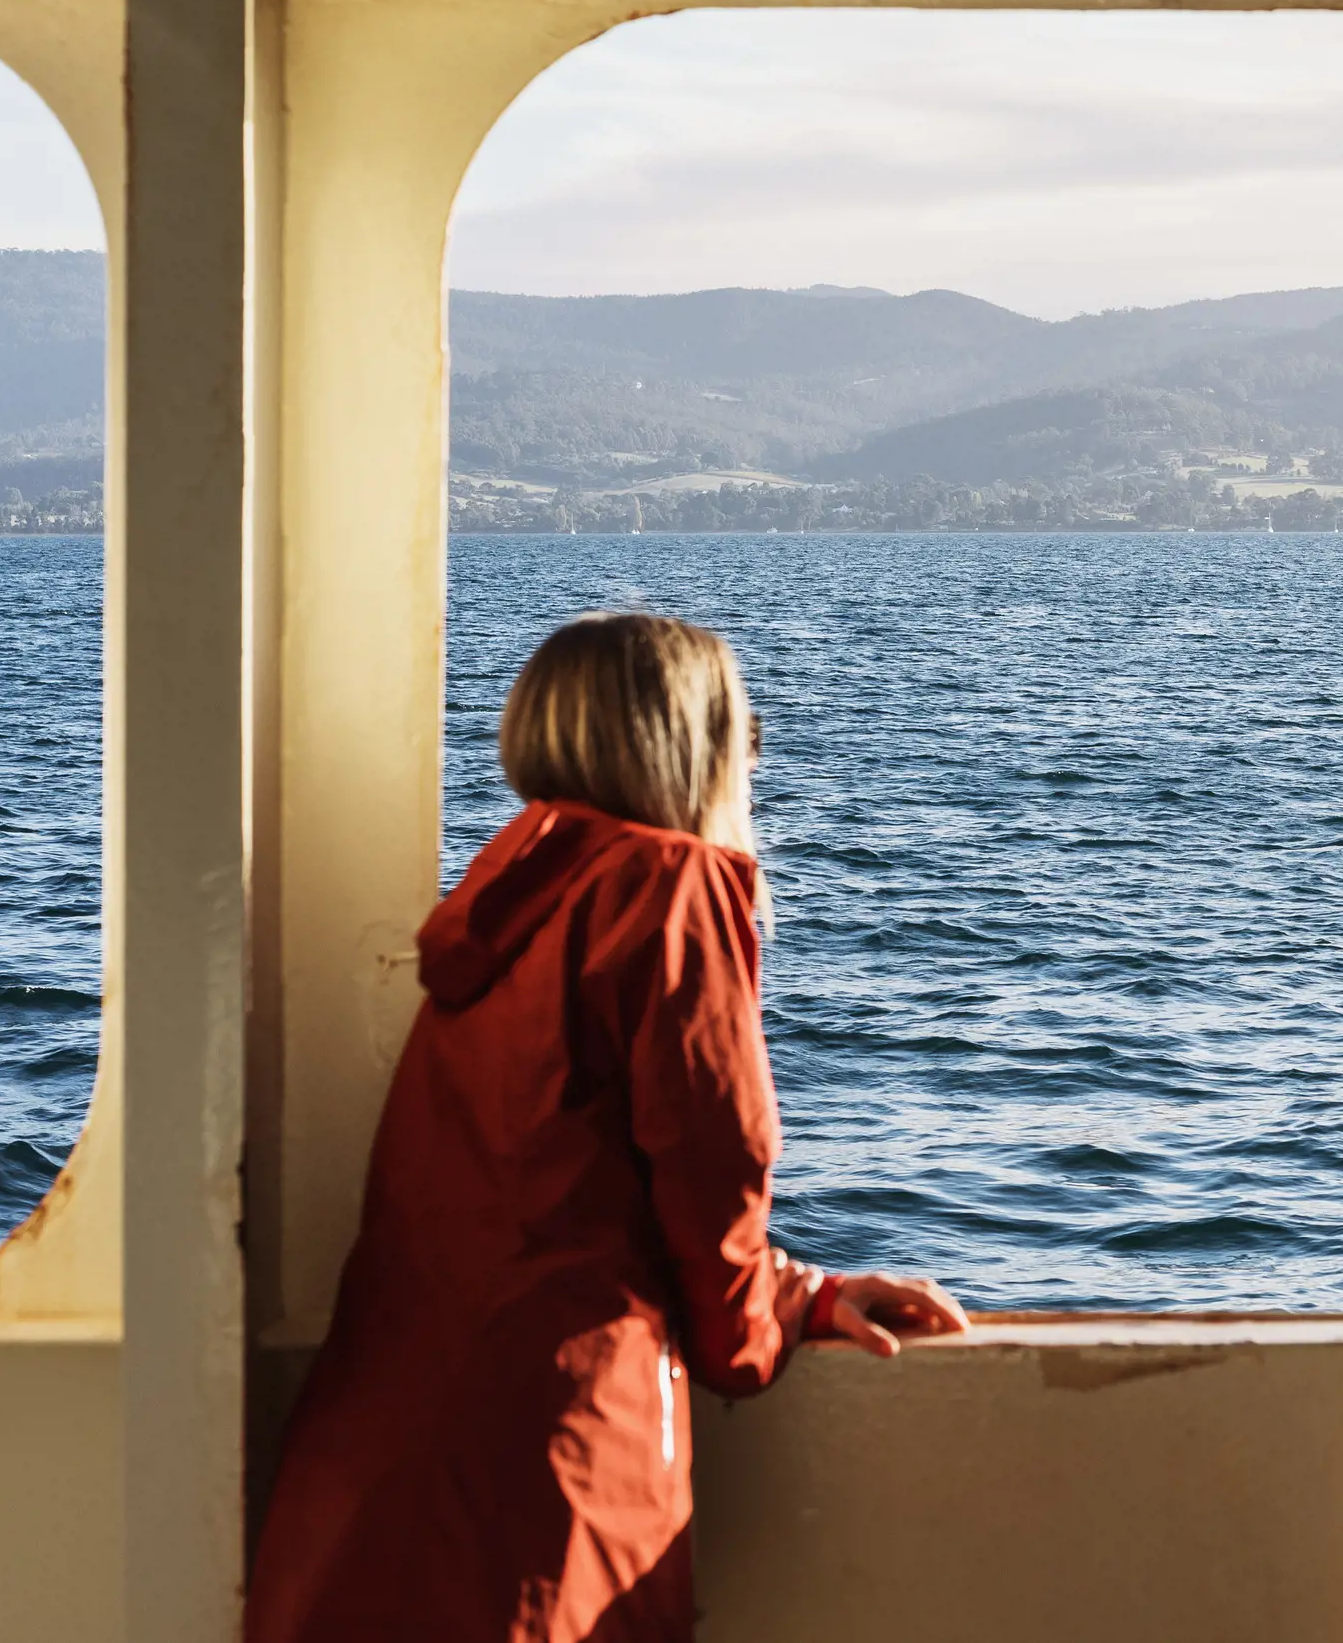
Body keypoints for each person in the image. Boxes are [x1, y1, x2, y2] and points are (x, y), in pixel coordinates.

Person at [250, 613, 967, 1643]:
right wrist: (759, 1327)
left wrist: (799, 1288)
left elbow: (541, 1183)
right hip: (551, 1468)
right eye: (744, 734)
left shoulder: (510, 897)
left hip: (372, 1457)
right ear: (693, 744)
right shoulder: (669, 888)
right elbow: (712, 1160)